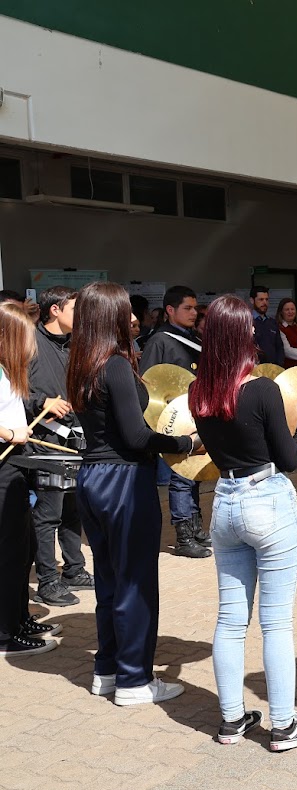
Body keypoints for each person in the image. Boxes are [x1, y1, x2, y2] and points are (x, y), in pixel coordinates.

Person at [187, 294, 297, 750]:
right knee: (276, 622)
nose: (254, 331)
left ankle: (231, 720)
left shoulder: (198, 392)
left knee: (230, 620)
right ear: (240, 334)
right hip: (266, 499)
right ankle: (283, 725)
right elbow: (289, 459)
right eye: (248, 326)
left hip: (224, 502)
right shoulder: (261, 389)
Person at [67, 282, 199, 702]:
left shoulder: (81, 362)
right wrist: (185, 444)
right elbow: (139, 436)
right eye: (125, 312)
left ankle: (106, 669)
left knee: (108, 579)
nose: (134, 318)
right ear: (109, 318)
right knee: (136, 582)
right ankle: (134, 680)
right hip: (124, 480)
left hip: (91, 478)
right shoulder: (116, 365)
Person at [0, 302, 59, 656]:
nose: (31, 343)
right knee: (8, 552)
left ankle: (19, 618)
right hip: (3, 467)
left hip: (17, 467)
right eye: (24, 335)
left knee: (24, 550)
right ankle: (6, 633)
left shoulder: (9, 370)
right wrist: (8, 433)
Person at [27, 287, 91, 608]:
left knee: (72, 511)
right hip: (46, 442)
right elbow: (14, 392)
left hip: (76, 441)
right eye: (75, 309)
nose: (81, 316)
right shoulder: (29, 345)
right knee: (48, 514)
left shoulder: (75, 345)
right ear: (55, 310)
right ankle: (48, 581)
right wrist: (43, 402)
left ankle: (74, 568)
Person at [139, 285, 211, 558]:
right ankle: (183, 537)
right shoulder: (160, 341)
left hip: (197, 415)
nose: (194, 313)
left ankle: (195, 528)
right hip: (174, 419)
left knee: (195, 474)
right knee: (181, 475)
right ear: (170, 310)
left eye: (195, 308)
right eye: (187, 308)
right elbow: (148, 384)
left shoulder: (193, 338)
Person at [250, 286, 284, 367]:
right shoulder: (247, 322)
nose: (264, 303)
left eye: (266, 299)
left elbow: (279, 347)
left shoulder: (272, 323)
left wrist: (279, 365)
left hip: (273, 369)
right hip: (254, 370)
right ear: (252, 300)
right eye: (261, 299)